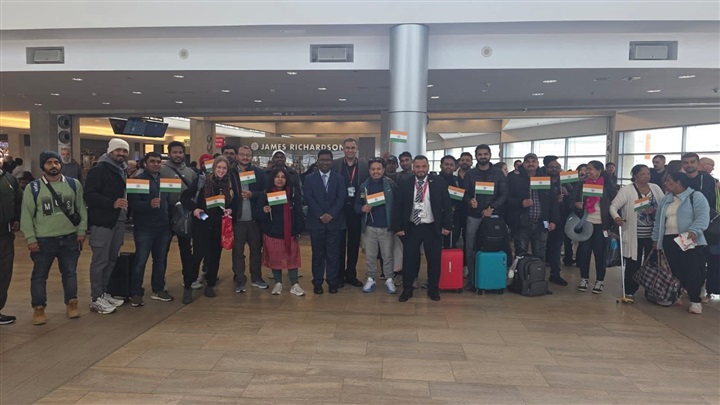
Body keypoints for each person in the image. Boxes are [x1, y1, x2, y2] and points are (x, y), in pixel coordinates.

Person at [21, 151, 87, 325]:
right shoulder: (33, 188)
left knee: (70, 273)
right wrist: (30, 239)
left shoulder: (73, 184)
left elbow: (81, 209)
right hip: (44, 240)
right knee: (39, 276)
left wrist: (81, 231)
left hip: (69, 238)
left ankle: (72, 303)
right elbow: (26, 215)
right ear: (43, 166)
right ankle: (39, 308)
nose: (53, 165)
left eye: (56, 162)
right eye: (49, 162)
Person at [393, 155, 452, 302]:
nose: (421, 169)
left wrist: (447, 225)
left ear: (428, 167)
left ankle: (433, 289)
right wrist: (398, 227)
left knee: (434, 260)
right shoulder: (405, 183)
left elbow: (447, 205)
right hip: (412, 227)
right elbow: (398, 206)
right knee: (409, 260)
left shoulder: (439, 182)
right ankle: (407, 289)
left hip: (432, 227)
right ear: (413, 168)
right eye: (418, 166)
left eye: (423, 166)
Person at [653, 172, 710, 314]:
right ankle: (675, 295)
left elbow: (702, 217)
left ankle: (695, 300)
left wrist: (694, 230)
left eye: (669, 181)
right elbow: (658, 221)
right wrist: (656, 239)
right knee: (673, 270)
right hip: (669, 239)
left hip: (689, 239)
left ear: (678, 182)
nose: (665, 184)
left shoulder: (695, 196)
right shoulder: (666, 200)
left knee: (692, 270)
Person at [84, 138, 130, 314]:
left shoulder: (122, 170)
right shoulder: (99, 169)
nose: (121, 154)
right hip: (102, 222)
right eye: (118, 150)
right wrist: (112, 203)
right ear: (110, 151)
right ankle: (96, 297)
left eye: (124, 151)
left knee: (111, 259)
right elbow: (89, 194)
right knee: (100, 260)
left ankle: (104, 292)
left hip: (119, 221)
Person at [180, 156, 233, 304]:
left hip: (218, 225)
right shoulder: (202, 181)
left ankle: (210, 285)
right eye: (219, 167)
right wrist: (195, 209)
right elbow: (185, 197)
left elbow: (232, 203)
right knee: (197, 256)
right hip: (203, 222)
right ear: (214, 167)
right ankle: (188, 286)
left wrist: (230, 209)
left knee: (215, 257)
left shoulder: (228, 184)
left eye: (224, 168)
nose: (221, 170)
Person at [609, 164, 665, 301]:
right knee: (633, 262)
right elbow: (613, 206)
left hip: (652, 234)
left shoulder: (655, 188)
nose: (646, 176)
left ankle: (650, 289)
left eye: (648, 174)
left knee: (651, 262)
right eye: (642, 174)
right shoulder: (627, 190)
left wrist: (654, 210)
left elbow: (663, 206)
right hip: (634, 234)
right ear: (635, 176)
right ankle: (630, 290)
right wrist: (616, 217)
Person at [127, 152, 173, 307]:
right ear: (145, 163)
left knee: (160, 260)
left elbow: (169, 202)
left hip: (163, 227)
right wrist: (148, 204)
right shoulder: (137, 180)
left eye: (159, 162)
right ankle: (136, 292)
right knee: (140, 260)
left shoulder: (164, 181)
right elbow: (133, 205)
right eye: (152, 161)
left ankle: (158, 289)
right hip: (144, 228)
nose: (156, 164)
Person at [462, 144, 508, 291]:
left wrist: (491, 208)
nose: (483, 156)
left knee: (493, 246)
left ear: (489, 155)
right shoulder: (470, 174)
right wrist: (470, 201)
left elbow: (504, 194)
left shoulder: (498, 173)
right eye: (480, 154)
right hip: (473, 216)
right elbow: (465, 192)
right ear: (476, 156)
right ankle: (472, 278)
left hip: (493, 216)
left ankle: (490, 277)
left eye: (485, 154)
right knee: (470, 247)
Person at [255, 166, 305, 296]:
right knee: (275, 258)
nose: (280, 179)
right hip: (272, 233)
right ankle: (278, 283)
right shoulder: (265, 193)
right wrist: (264, 211)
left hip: (290, 232)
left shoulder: (292, 193)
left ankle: (294, 284)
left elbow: (298, 211)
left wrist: (299, 228)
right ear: (272, 178)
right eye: (277, 177)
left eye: (283, 177)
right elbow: (258, 213)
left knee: (292, 258)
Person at [506, 153, 560, 274]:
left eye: (533, 161)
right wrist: (520, 203)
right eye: (528, 161)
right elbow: (507, 198)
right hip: (521, 223)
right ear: (523, 164)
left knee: (540, 254)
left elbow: (553, 201)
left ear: (537, 164)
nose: (531, 164)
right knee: (520, 254)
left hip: (541, 223)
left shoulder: (545, 178)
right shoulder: (513, 178)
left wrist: (553, 220)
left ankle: (538, 280)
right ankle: (520, 280)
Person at [304, 149, 347, 294]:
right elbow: (308, 198)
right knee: (318, 255)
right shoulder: (309, 178)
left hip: (335, 222)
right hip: (316, 222)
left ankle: (332, 282)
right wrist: (321, 215)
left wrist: (331, 214)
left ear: (332, 161)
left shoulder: (339, 178)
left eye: (328, 160)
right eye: (322, 160)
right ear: (317, 161)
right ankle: (317, 282)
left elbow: (341, 197)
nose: (325, 162)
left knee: (333, 254)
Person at [573, 160, 618, 293]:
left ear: (599, 171)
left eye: (591, 169)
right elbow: (572, 200)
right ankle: (584, 278)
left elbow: (615, 206)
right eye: (587, 169)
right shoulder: (582, 184)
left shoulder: (608, 186)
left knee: (600, 253)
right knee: (584, 252)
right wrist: (576, 204)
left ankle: (600, 280)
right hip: (586, 222)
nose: (588, 172)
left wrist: (613, 226)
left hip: (601, 225)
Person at [355, 157, 397, 294]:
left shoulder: (391, 185)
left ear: (383, 170)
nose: (376, 171)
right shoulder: (364, 186)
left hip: (386, 227)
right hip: (369, 227)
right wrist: (362, 208)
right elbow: (357, 204)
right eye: (373, 169)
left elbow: (399, 203)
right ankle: (370, 278)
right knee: (370, 255)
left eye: (378, 169)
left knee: (387, 255)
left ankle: (389, 279)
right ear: (369, 171)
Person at [160, 141, 198, 289]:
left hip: (184, 215)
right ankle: (160, 282)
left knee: (186, 249)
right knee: (162, 250)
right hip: (166, 214)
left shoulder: (190, 172)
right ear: (169, 153)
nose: (178, 155)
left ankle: (188, 279)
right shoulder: (162, 170)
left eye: (180, 152)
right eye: (175, 152)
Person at [230, 146, 267, 293]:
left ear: (252, 157)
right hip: (237, 220)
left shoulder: (259, 172)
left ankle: (256, 277)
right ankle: (240, 279)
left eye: (248, 155)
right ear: (237, 156)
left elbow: (265, 192)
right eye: (242, 154)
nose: (245, 157)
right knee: (238, 252)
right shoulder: (230, 173)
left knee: (256, 250)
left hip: (254, 220)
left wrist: (253, 194)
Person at [332, 138, 369, 288]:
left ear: (356, 149)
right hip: (340, 209)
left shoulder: (364, 166)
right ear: (343, 149)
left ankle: (351, 275)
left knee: (353, 244)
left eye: (353, 148)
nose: (350, 150)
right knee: (339, 244)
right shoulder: (335, 164)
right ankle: (339, 275)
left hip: (356, 209)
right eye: (347, 147)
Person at [541, 156, 571, 285]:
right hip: (543, 217)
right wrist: (554, 199)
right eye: (552, 167)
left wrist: (567, 195)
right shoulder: (541, 181)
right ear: (546, 168)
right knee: (540, 246)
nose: (554, 169)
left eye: (557, 167)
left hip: (560, 218)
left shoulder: (565, 182)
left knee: (557, 246)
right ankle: (538, 273)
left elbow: (573, 200)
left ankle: (555, 273)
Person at [0, 159, 22, 325]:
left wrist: (16, 219)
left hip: (4, 235)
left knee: (4, 271)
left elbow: (18, 201)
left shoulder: (9, 179)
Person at [563, 163, 588, 266]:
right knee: (568, 236)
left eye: (586, 170)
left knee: (583, 237)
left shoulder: (590, 183)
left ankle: (579, 259)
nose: (583, 172)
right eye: (582, 170)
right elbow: (571, 198)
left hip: (585, 213)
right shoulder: (574, 182)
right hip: (572, 212)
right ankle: (568, 257)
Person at [438, 155, 462, 248]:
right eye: (446, 164)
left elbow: (462, 197)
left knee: (451, 244)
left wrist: (454, 207)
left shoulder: (457, 180)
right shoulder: (434, 180)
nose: (448, 167)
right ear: (441, 166)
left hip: (454, 217)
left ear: (455, 167)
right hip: (437, 216)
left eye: (451, 165)